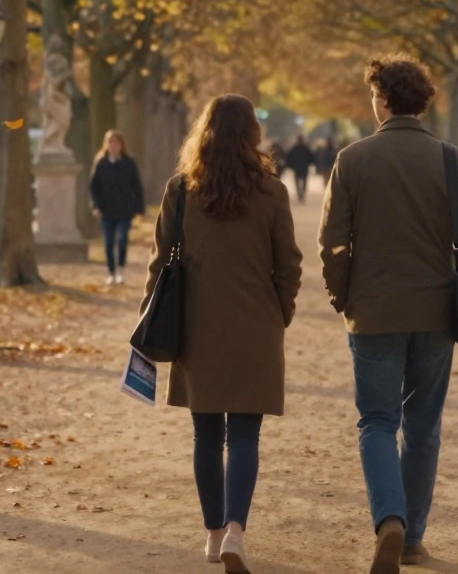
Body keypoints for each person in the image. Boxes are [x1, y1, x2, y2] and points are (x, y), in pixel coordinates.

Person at [319, 55, 458, 574]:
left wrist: (344, 297)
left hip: (372, 312)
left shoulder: (352, 159)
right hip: (436, 311)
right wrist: (456, 283)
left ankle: (387, 519)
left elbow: (332, 245)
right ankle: (411, 538)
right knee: (423, 425)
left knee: (376, 421)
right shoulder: (450, 160)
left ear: (385, 99)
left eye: (374, 94)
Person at [143, 94, 302, 574]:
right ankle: (236, 529)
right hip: (256, 325)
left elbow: (160, 264)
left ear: (204, 132)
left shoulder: (180, 191)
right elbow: (288, 266)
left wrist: (149, 317)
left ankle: (213, 535)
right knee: (246, 435)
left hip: (197, 325)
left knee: (206, 434)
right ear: (253, 134)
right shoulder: (272, 193)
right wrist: (281, 313)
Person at [90, 129, 145, 285]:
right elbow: (93, 187)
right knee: (108, 242)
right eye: (110, 142)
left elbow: (137, 186)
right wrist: (95, 205)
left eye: (116, 142)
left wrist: (140, 209)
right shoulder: (100, 163)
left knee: (122, 239)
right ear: (106, 145)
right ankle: (111, 272)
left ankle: (120, 269)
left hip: (124, 209)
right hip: (106, 210)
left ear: (121, 145)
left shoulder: (129, 162)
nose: (113, 145)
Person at [285, 135, 317, 204]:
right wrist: (310, 163)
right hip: (304, 167)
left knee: (297, 181)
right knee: (304, 181)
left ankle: (300, 194)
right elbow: (312, 157)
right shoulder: (306, 148)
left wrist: (291, 166)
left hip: (296, 167)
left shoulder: (294, 149)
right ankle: (302, 194)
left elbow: (288, 157)